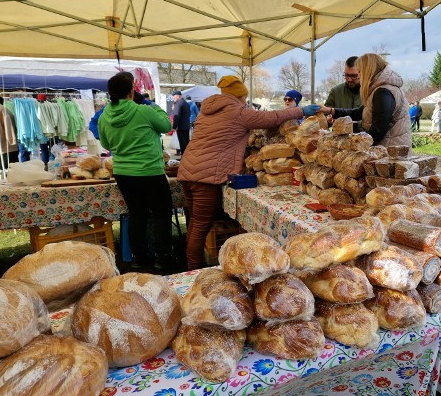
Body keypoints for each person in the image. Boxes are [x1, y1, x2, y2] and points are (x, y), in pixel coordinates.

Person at [178, 76, 320, 270]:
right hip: (206, 174)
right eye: (244, 97)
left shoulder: (207, 110)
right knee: (201, 224)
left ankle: (192, 262)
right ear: (239, 96)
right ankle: (194, 269)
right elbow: (271, 118)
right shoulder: (237, 111)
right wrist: (301, 110)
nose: (245, 101)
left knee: (195, 221)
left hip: (188, 168)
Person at [98, 73, 174, 271]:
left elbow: (106, 144)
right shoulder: (143, 111)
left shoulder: (104, 115)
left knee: (137, 214)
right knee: (160, 214)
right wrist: (152, 105)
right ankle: (162, 257)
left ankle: (139, 258)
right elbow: (166, 125)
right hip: (149, 170)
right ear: (132, 90)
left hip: (123, 173)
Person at [317, 53, 410, 147]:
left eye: (360, 72)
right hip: (387, 150)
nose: (359, 76)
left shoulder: (383, 92)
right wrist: (330, 110)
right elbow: (358, 113)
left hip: (390, 152)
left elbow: (377, 132)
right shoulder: (378, 90)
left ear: (368, 71)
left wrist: (348, 141)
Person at [172, 90, 191, 155]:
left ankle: (184, 157)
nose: (173, 98)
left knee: (182, 143)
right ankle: (188, 156)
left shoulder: (178, 103)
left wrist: (174, 126)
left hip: (181, 126)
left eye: (174, 96)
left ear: (177, 96)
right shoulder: (186, 103)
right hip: (187, 125)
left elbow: (176, 116)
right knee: (187, 141)